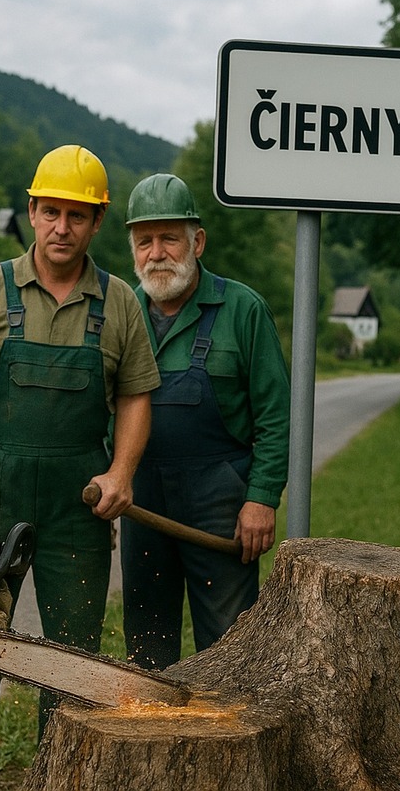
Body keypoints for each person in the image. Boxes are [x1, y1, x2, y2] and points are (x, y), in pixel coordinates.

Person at [0, 145, 159, 790]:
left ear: (97, 222)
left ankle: (64, 774)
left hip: (75, 502)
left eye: (76, 216)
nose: (61, 228)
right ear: (30, 211)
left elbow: (137, 396)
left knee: (72, 654)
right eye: (50, 212)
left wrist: (122, 471)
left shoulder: (120, 303)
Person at [120, 173, 290, 671]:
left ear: (197, 241)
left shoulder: (243, 309)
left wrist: (261, 498)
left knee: (230, 651)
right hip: (143, 503)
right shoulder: (120, 311)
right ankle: (157, 743)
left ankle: (230, 744)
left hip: (221, 502)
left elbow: (275, 416)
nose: (157, 253)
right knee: (147, 646)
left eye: (169, 238)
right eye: (144, 241)